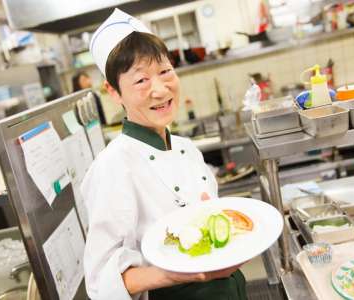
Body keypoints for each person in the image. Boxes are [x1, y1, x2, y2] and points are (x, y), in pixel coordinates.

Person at [81, 8, 247, 300]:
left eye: (164, 71)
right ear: (114, 92)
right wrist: (170, 274)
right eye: (141, 80)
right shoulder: (113, 166)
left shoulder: (187, 148)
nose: (160, 89)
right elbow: (101, 284)